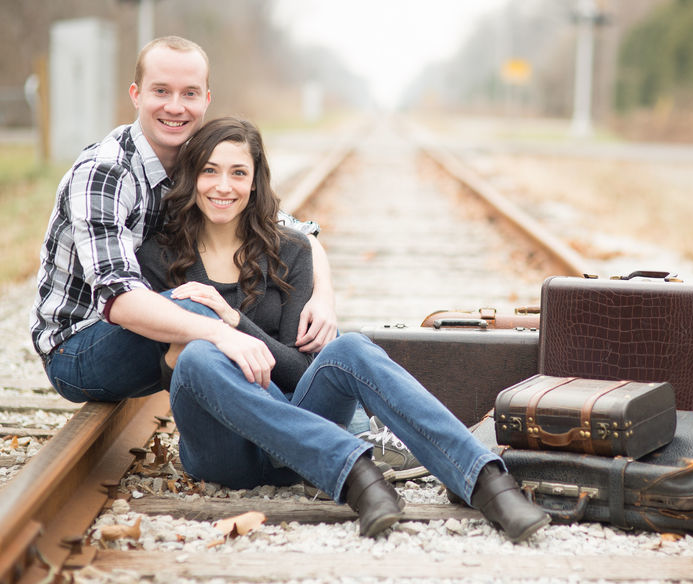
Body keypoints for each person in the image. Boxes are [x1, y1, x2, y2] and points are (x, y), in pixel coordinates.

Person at [135, 117, 550, 542]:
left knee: (351, 346)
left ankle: (488, 485)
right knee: (201, 357)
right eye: (210, 170)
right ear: (192, 176)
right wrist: (205, 340)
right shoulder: (158, 258)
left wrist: (234, 323)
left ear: (256, 181)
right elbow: (175, 373)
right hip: (222, 452)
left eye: (238, 172)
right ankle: (356, 474)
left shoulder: (290, 252)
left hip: (296, 449)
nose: (223, 186)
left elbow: (300, 371)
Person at [30, 36, 337, 406]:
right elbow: (119, 299)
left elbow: (289, 231)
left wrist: (324, 297)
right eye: (161, 91)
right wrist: (222, 330)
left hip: (149, 325)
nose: (175, 107)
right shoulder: (105, 173)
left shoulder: (198, 158)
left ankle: (331, 430)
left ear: (206, 99)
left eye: (189, 93)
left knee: (311, 334)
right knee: (205, 305)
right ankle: (315, 435)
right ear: (136, 94)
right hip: (80, 347)